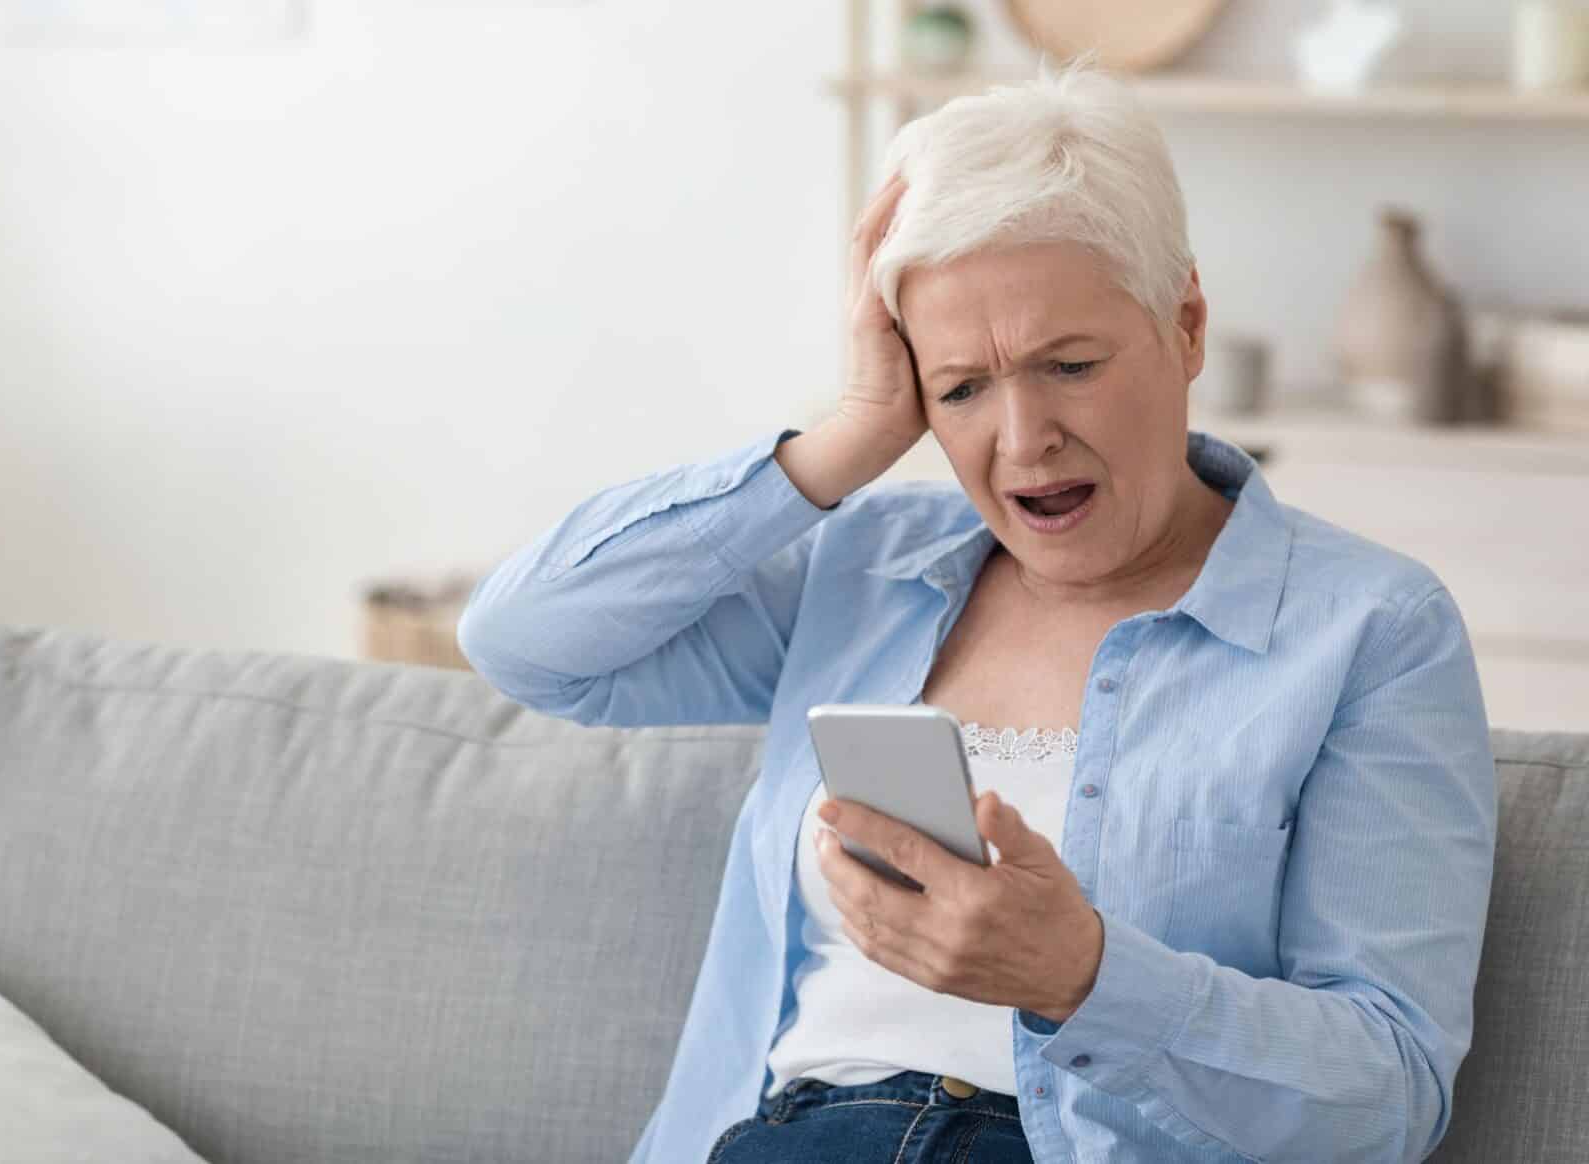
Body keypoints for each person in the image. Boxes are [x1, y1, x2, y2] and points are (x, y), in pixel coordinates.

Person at [456, 66, 1495, 1164]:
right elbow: (528, 642)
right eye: (961, 389)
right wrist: (841, 442)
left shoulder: (1370, 630)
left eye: (1071, 364)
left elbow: (1389, 1096)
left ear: (1185, 325)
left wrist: (1086, 978)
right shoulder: (860, 569)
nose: (1022, 438)